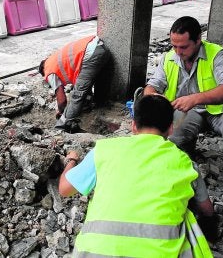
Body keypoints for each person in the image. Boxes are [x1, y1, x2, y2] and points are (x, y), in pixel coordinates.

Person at [59, 95, 215, 257]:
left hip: (92, 253)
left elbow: (64, 189)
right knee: (187, 216)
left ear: (133, 126)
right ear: (170, 129)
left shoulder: (104, 150)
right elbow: (207, 210)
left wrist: (71, 159)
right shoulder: (184, 162)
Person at [143, 16, 223, 220]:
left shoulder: (216, 54)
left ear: (198, 40)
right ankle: (179, 178)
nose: (178, 52)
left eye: (183, 47)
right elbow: (153, 85)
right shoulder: (169, 58)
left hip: (222, 110)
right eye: (174, 46)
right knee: (170, 138)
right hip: (190, 112)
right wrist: (153, 95)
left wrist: (195, 99)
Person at [38, 35, 110, 133]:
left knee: (77, 94)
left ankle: (63, 126)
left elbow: (62, 100)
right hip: (101, 47)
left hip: (90, 54)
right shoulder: (53, 59)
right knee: (84, 84)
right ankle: (87, 106)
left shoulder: (48, 71)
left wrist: (62, 111)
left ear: (43, 71)